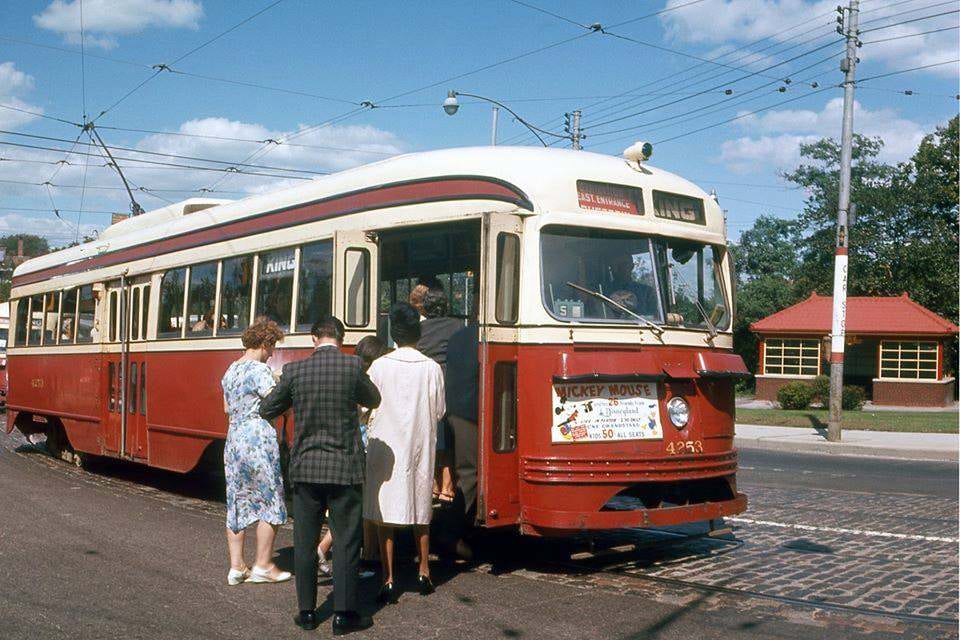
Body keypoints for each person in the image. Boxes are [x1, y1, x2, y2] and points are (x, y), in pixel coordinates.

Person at [259, 316, 381, 635]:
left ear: (315, 338)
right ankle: (344, 615)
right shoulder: (353, 368)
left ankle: (307, 613)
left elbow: (267, 409)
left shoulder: (295, 371)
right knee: (346, 540)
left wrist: (293, 404)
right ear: (341, 339)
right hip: (344, 468)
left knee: (304, 539)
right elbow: (374, 399)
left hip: (307, 467)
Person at [363, 303, 445, 603]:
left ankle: (388, 578)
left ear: (393, 333)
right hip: (419, 445)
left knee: (386, 512)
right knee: (421, 507)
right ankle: (424, 571)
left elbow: (365, 405)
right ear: (418, 333)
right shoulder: (432, 368)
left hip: (386, 446)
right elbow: (439, 411)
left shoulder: (380, 366)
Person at [220, 318, 291, 587]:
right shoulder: (260, 371)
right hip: (258, 438)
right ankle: (263, 565)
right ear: (265, 343)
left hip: (235, 438)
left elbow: (227, 409)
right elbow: (277, 403)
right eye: (272, 348)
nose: (272, 353)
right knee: (270, 499)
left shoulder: (231, 370)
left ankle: (237, 567)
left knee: (236, 500)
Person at [317, 335, 391, 576]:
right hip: (362, 448)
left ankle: (355, 554)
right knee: (353, 509)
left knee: (351, 508)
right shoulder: (365, 382)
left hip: (344, 447)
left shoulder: (347, 376)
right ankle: (325, 549)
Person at [416, 287, 462, 503]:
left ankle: (433, 485)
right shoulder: (457, 326)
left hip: (426, 384)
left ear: (425, 307)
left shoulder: (419, 328)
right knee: (449, 438)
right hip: (451, 384)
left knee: (432, 435)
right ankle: (448, 486)